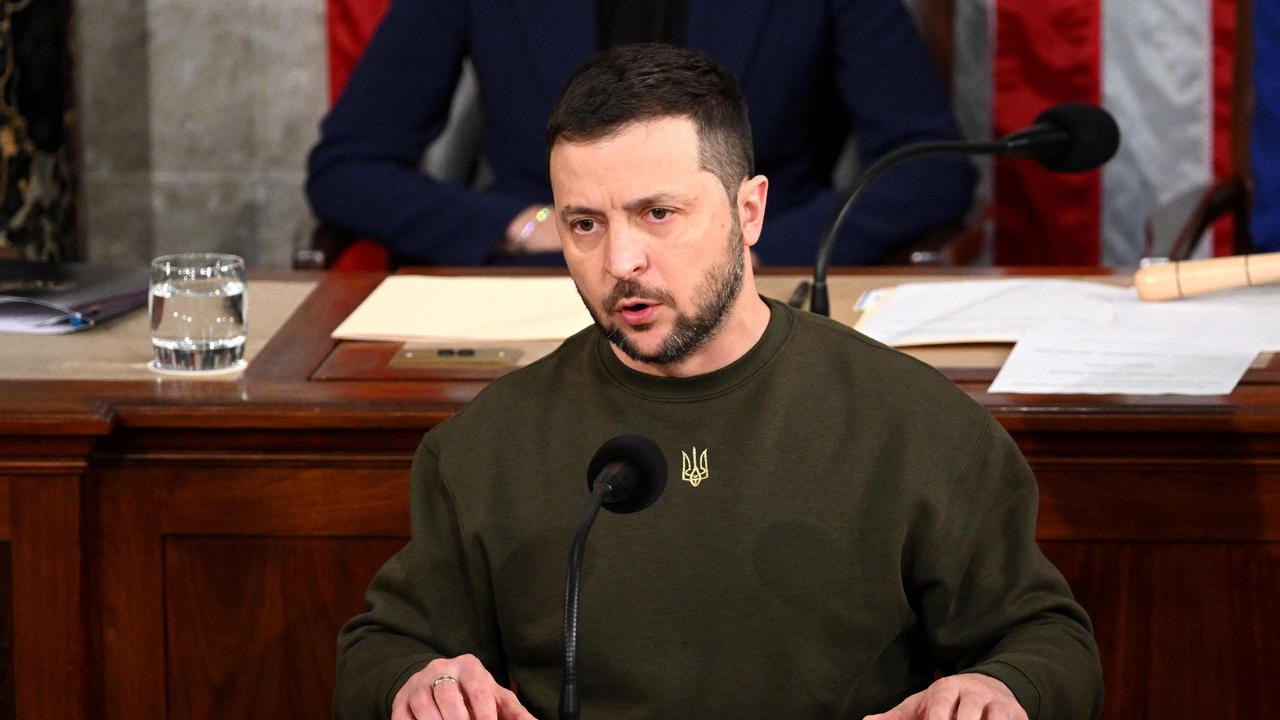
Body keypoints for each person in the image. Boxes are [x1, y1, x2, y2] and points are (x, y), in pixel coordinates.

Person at [334, 45, 1102, 720]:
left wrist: (1005, 689)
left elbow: (1047, 641)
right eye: (584, 224)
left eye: (658, 213)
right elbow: (384, 647)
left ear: (749, 210)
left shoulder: (913, 422)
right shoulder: (487, 444)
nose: (620, 262)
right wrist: (415, 682)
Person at [306, 0, 976, 267]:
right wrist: (525, 222)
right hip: (549, 288)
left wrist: (763, 245)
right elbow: (349, 168)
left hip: (758, 284)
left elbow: (929, 169)